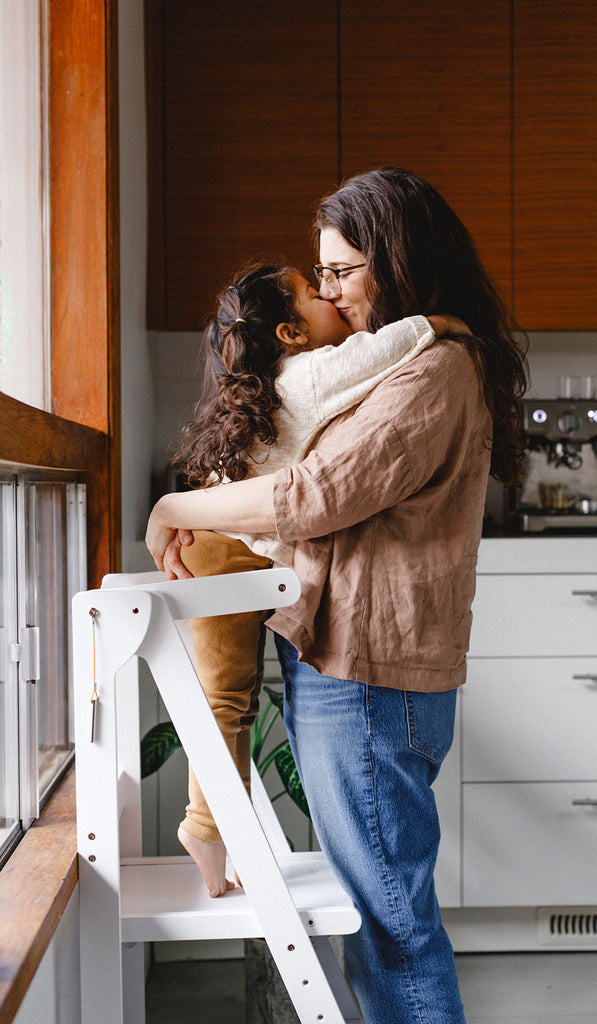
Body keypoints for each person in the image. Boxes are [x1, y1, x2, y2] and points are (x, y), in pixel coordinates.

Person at [146, 167, 528, 1024]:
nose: (331, 292)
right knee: (385, 919)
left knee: (392, 928)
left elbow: (314, 495)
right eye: (321, 278)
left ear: (397, 260)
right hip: (357, 673)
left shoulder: (433, 368)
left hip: (365, 680)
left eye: (343, 272)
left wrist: (180, 503)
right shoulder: (400, 363)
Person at [166, 261, 466, 898]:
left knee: (228, 698)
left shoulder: (275, 379)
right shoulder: (309, 374)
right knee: (226, 700)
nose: (329, 292)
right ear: (290, 333)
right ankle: (205, 826)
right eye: (312, 289)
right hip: (229, 547)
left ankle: (216, 831)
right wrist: (441, 321)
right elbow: (392, 345)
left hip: (221, 544)